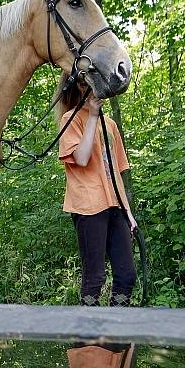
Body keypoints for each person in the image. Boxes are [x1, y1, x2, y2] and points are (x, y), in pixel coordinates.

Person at [57, 77, 137, 307]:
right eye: (83, 84)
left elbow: (117, 170)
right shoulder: (70, 119)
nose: (90, 89)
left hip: (116, 206)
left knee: (126, 276)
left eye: (92, 84)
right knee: (95, 277)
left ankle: (115, 328)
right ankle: (89, 337)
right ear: (76, 88)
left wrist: (128, 213)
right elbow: (81, 159)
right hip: (88, 206)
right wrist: (92, 116)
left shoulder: (110, 124)